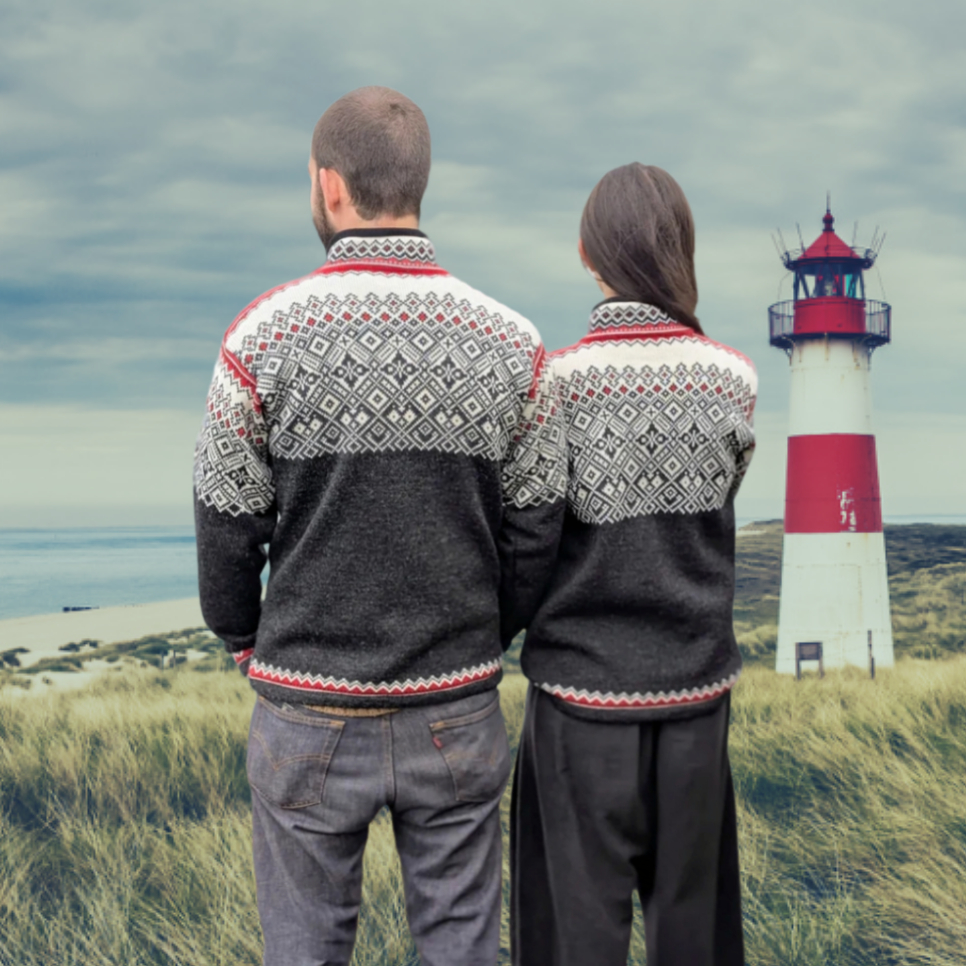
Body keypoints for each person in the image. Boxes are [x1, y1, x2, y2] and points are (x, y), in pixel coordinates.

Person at [193, 86, 566, 966]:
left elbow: (225, 525)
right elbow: (536, 528)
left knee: (306, 950)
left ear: (329, 185)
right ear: (418, 183)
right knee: (462, 947)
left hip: (306, 710)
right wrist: (483, 634)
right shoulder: (514, 343)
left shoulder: (260, 337)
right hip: (456, 707)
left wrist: (244, 639)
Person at [509, 163, 757, 966]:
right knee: (694, 934)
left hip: (579, 699)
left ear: (588, 254)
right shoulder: (734, 378)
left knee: (574, 940)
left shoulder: (553, 382)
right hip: (695, 696)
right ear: (683, 248)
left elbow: (532, 539)